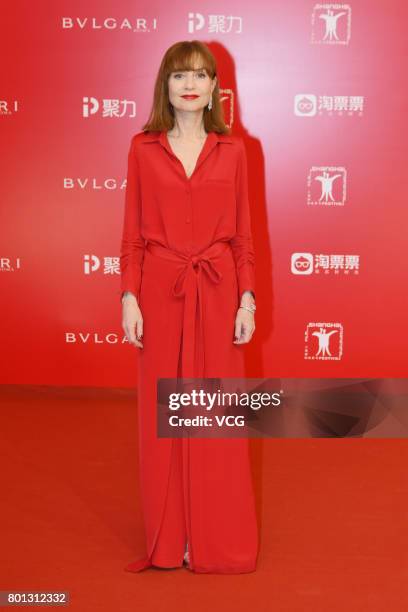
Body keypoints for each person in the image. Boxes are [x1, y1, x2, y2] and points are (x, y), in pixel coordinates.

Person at [119, 40, 258, 574]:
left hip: (219, 289)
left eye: (200, 74)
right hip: (159, 287)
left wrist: (247, 299)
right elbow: (132, 234)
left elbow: (243, 235)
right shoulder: (141, 148)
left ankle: (212, 539)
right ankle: (169, 536)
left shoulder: (235, 151)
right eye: (180, 75)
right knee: (165, 418)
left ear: (214, 88)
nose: (190, 84)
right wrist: (129, 296)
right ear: (166, 85)